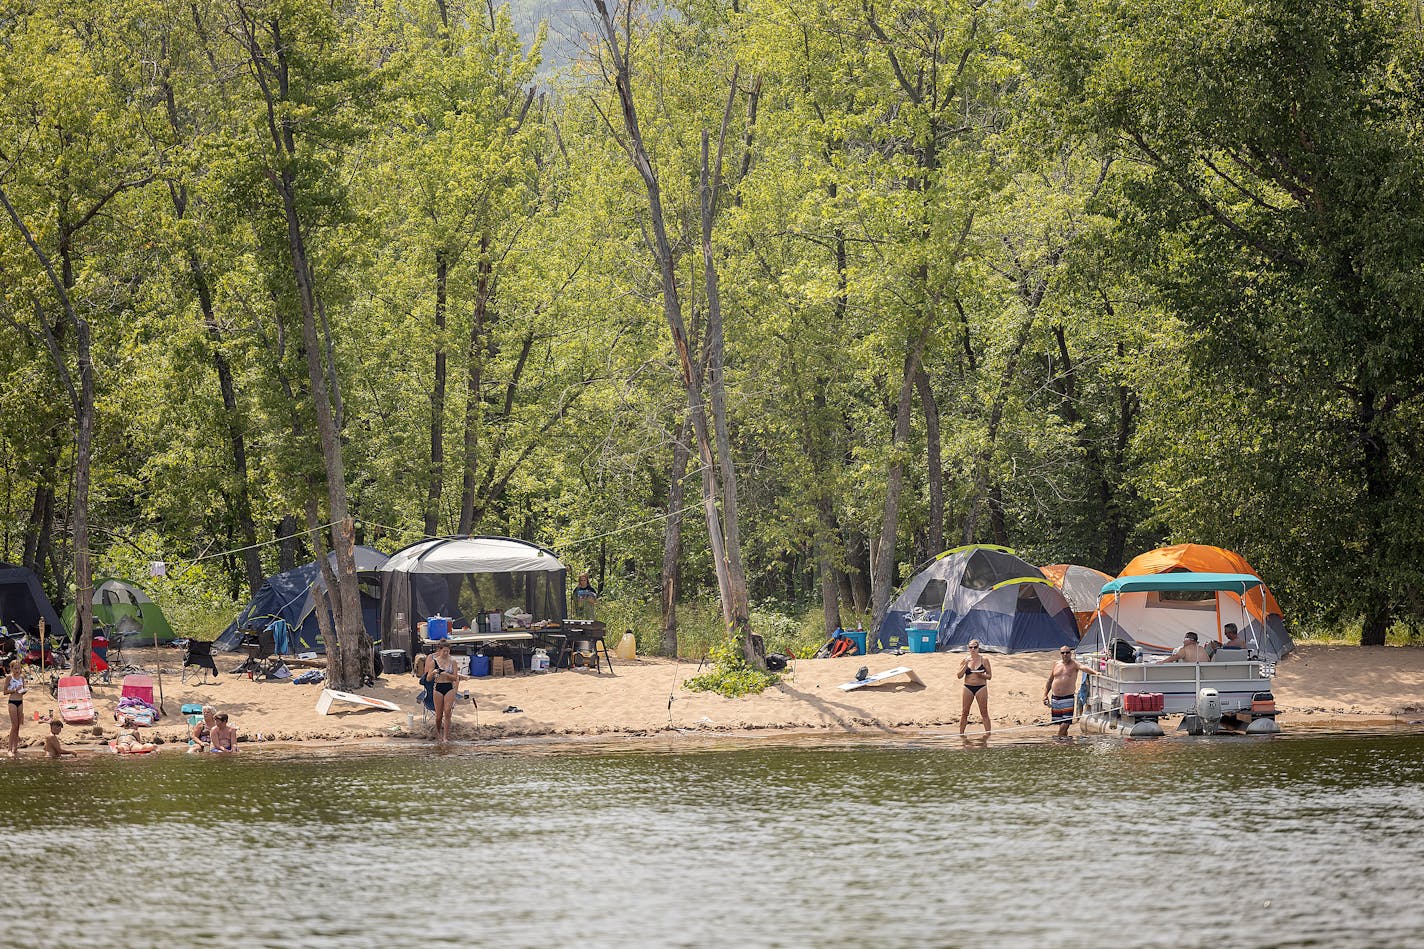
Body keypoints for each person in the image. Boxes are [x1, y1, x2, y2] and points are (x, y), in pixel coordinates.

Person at [1044, 647, 1095, 738]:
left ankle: (1058, 740)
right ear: (1060, 654)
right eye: (1063, 653)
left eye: (1067, 652)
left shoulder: (1074, 664)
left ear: (1070, 653)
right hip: (1055, 698)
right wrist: (1045, 695)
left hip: (1067, 698)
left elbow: (1084, 668)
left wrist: (1095, 672)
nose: (1065, 655)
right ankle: (1065, 742)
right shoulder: (1056, 664)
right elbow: (1050, 680)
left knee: (1066, 722)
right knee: (1060, 723)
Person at [956, 640, 992, 735]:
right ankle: (961, 735)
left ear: (978, 648)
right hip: (968, 687)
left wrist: (981, 676)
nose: (973, 649)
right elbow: (959, 676)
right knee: (964, 712)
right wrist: (965, 665)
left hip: (981, 687)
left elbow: (989, 676)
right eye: (970, 647)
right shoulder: (965, 659)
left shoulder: (984, 660)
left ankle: (988, 735)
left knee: (984, 712)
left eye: (975, 647)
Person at [427, 642, 460, 742]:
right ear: (439, 650)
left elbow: (455, 677)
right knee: (439, 715)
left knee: (448, 711)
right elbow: (428, 678)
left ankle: (445, 736)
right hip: (438, 687)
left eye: (447, 651)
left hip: (449, 686)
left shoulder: (452, 661)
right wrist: (433, 673)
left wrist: (446, 675)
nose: (446, 653)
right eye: (444, 651)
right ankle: (438, 733)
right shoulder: (434, 662)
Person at [4, 659, 25, 759]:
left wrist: (23, 690)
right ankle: (9, 749)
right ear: (11, 668)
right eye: (15, 668)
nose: (17, 670)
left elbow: (23, 690)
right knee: (14, 725)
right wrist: (14, 690)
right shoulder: (9, 677)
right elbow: (4, 691)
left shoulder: (22, 677)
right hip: (12, 701)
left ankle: (15, 748)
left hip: (20, 701)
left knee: (19, 725)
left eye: (19, 668)